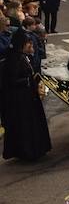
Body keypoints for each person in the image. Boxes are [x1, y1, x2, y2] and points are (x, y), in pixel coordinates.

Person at [1, 29, 51, 161]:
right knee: (25, 127)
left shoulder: (22, 56)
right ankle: (27, 152)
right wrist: (29, 80)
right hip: (20, 100)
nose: (30, 45)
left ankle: (36, 149)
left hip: (28, 97)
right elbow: (12, 80)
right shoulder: (14, 59)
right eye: (27, 43)